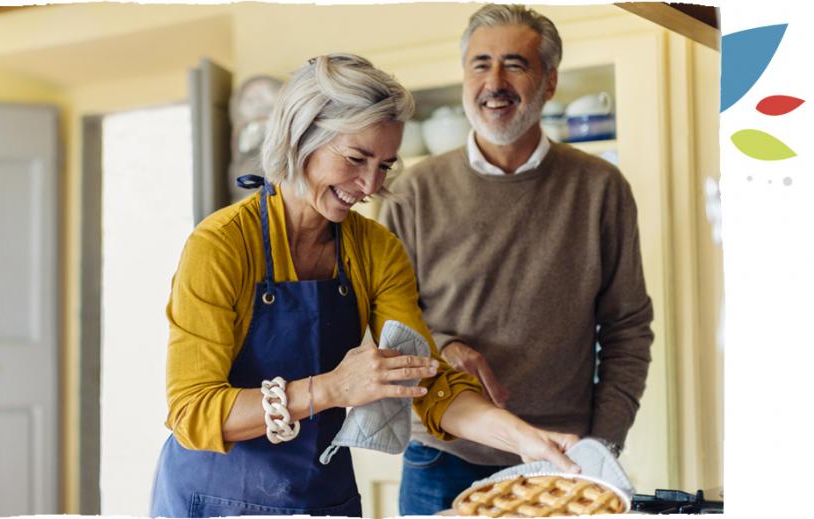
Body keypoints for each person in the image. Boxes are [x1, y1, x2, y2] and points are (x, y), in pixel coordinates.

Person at [150, 53, 581, 518]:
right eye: (357, 158)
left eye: (384, 165)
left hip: (321, 497)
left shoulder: (377, 250)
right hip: (215, 498)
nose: (370, 184)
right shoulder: (221, 246)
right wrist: (331, 390)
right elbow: (192, 412)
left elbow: (425, 381)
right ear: (302, 136)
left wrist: (523, 438)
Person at [379, 4, 655, 515]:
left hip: (562, 455)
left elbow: (628, 330)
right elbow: (385, 324)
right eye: (480, 64)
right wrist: (445, 346)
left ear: (549, 83)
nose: (494, 82)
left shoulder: (600, 189)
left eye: (515, 64)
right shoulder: (411, 192)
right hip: (440, 456)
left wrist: (602, 443)